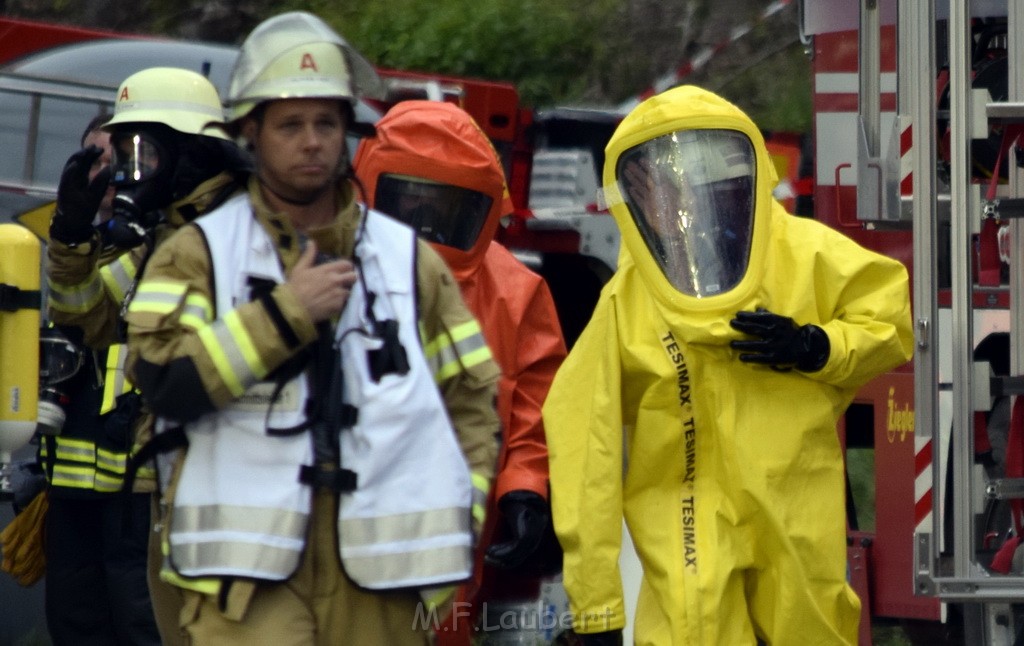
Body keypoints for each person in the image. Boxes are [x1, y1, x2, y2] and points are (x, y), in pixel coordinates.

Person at [123, 12, 500, 646]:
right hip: (244, 584)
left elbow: (472, 402)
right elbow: (164, 384)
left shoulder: (409, 262)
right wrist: (284, 314)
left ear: (348, 134)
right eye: (290, 125)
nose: (312, 142)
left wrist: (460, 519)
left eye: (326, 123)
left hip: (382, 581)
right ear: (252, 133)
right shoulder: (196, 255)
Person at [542, 85, 914, 645]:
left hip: (793, 505)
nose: (696, 211)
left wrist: (816, 347)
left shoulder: (804, 252)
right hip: (689, 519)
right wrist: (596, 609)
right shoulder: (629, 302)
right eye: (676, 194)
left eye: (712, 192)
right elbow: (582, 447)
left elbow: (888, 318)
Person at [44, 67, 249, 646]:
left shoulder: (233, 235)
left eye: (141, 151)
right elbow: (87, 316)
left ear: (187, 152)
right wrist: (73, 232)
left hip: (180, 484)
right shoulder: (158, 238)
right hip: (125, 476)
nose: (130, 169)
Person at [353, 100, 567, 642]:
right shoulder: (323, 266)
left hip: (452, 540)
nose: (424, 221)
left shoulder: (515, 291)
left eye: (444, 206)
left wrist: (525, 489)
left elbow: (536, 415)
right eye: (411, 200)